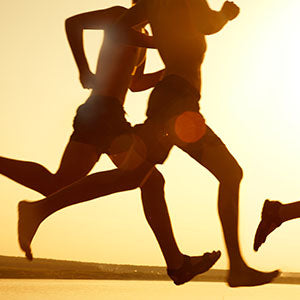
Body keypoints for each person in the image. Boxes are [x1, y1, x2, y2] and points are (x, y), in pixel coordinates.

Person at [18, 0, 279, 287]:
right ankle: (236, 268)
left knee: (132, 178)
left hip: (171, 99)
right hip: (177, 103)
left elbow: (121, 36)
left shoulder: (153, 5)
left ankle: (40, 210)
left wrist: (162, 41)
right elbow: (208, 25)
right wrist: (227, 14)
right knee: (229, 173)